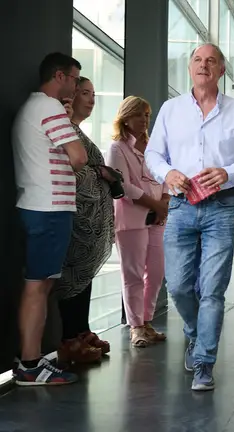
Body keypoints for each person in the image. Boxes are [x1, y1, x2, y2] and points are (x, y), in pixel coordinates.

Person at [145, 43, 234, 391]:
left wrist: (228, 173)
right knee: (180, 285)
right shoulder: (171, 110)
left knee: (213, 289)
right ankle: (195, 333)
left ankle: (204, 363)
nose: (203, 65)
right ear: (189, 68)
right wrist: (167, 173)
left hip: (222, 206)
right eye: (197, 60)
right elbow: (153, 154)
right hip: (181, 205)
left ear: (221, 71)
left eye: (211, 61)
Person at [12, 52, 87, 386]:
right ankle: (29, 365)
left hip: (41, 207)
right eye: (74, 79)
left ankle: (32, 361)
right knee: (37, 286)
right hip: (49, 208)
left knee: (40, 285)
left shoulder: (36, 108)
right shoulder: (48, 106)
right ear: (60, 76)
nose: (76, 86)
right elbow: (79, 156)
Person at [54, 77, 116, 365]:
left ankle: (82, 330)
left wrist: (106, 175)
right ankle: (72, 337)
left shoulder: (79, 132)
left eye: (94, 93)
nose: (91, 99)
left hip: (91, 228)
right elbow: (73, 172)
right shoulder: (64, 132)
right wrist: (101, 175)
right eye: (84, 93)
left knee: (85, 276)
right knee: (72, 277)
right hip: (74, 222)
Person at [106, 96, 169, 348]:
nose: (144, 120)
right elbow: (122, 186)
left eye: (147, 115)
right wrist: (154, 204)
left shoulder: (154, 147)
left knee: (155, 272)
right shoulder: (117, 148)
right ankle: (136, 327)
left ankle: (147, 321)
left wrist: (163, 201)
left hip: (158, 217)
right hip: (132, 218)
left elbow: (165, 175)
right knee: (132, 273)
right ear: (126, 117)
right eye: (139, 115)